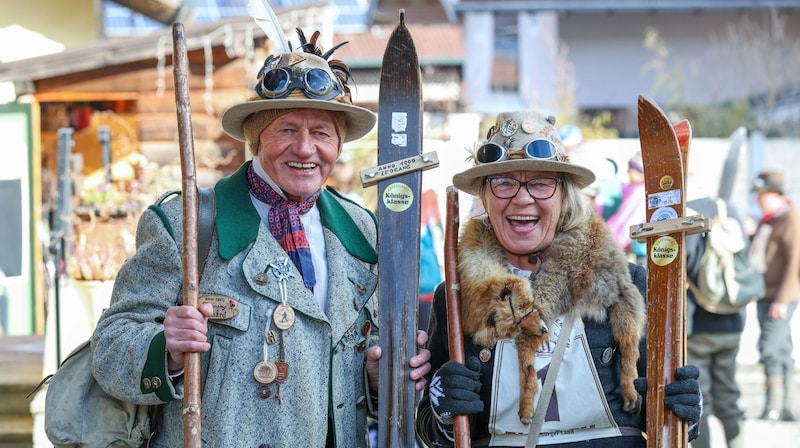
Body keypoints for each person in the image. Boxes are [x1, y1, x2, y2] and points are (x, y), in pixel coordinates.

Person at [91, 29, 431, 447]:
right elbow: (109, 349)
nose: (306, 149)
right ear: (256, 138)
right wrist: (167, 350)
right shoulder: (186, 225)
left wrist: (378, 380)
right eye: (287, 129)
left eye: (322, 133)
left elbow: (359, 379)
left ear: (339, 144)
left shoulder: (362, 232)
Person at [415, 110, 702, 447]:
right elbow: (431, 432)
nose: (523, 198)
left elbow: (665, 419)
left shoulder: (627, 285)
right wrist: (443, 413)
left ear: (564, 196)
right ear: (485, 198)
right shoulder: (454, 299)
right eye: (503, 182)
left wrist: (685, 410)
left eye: (541, 183)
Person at [686, 197, 746, 448]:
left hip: (699, 328)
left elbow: (684, 268)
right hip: (732, 325)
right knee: (728, 396)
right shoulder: (734, 229)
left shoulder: (692, 230)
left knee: (702, 400)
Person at [748, 170, 799, 422]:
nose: (759, 200)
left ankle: (774, 406)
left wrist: (783, 299)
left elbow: (795, 263)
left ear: (776, 194)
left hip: (779, 296)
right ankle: (788, 407)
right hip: (765, 293)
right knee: (781, 350)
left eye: (763, 195)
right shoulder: (769, 219)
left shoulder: (790, 218)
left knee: (769, 349)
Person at [606, 151, 647, 264]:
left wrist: (607, 240)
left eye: (632, 168)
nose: (628, 171)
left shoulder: (639, 192)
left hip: (640, 251)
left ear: (642, 173)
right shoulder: (639, 190)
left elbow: (626, 222)